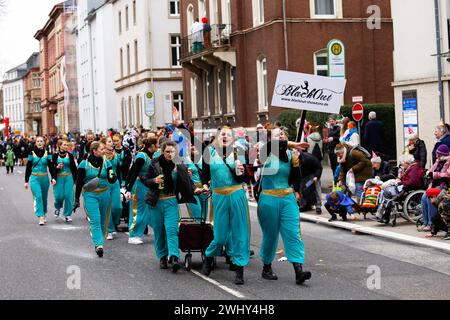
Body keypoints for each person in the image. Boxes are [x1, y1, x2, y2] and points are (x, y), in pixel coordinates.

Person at [256, 128, 312, 285]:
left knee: (293, 233)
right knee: (271, 235)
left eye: (282, 133)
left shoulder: (290, 155)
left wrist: (295, 163)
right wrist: (293, 143)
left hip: (287, 198)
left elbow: (295, 179)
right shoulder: (265, 152)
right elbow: (272, 144)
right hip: (268, 198)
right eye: (276, 134)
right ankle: (266, 266)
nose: (279, 135)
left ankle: (298, 270)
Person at [200, 125, 251, 285]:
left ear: (233, 138)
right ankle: (208, 256)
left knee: (239, 233)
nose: (225, 137)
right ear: (217, 136)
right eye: (222, 134)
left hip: (236, 195)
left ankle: (239, 269)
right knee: (220, 234)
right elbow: (205, 175)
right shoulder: (210, 153)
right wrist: (205, 185)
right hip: (219, 196)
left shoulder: (239, 153)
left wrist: (242, 171)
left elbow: (245, 179)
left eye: (228, 135)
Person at [142, 141, 201, 272]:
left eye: (172, 152)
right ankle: (162, 256)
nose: (170, 154)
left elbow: (187, 181)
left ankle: (174, 256)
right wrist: (154, 180)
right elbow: (145, 180)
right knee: (159, 231)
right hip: (156, 202)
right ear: (162, 152)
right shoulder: (155, 163)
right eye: (167, 152)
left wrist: (195, 190)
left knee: (171, 229)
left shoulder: (179, 164)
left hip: (171, 201)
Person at [73, 142, 117, 258]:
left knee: (103, 220)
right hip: (90, 195)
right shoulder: (84, 164)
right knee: (95, 219)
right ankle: (99, 245)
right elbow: (78, 183)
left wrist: (113, 177)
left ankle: (99, 240)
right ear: (94, 151)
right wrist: (76, 199)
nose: (104, 150)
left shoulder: (106, 163)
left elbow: (112, 178)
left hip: (105, 193)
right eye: (101, 149)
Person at [125, 137, 159, 244]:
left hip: (147, 185)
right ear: (152, 146)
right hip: (138, 185)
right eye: (156, 145)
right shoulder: (141, 156)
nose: (157, 147)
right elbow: (133, 172)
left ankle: (141, 231)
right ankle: (133, 235)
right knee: (138, 210)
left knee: (147, 209)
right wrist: (128, 189)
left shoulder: (151, 155)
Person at [24, 136, 57, 226]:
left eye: (41, 141)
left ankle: (44, 212)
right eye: (38, 141)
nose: (39, 142)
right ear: (35, 143)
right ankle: (41, 216)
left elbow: (51, 167)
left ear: (44, 143)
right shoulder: (31, 153)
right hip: (35, 178)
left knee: (44, 198)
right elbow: (28, 167)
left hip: (45, 178)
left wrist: (53, 178)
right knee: (38, 196)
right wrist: (26, 181)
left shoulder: (48, 153)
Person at [419, 145, 450, 232]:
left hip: (445, 186)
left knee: (430, 198)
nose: (437, 156)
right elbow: (432, 170)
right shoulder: (438, 161)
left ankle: (431, 224)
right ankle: (425, 222)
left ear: (444, 155)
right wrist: (428, 173)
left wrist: (434, 175)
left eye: (438, 155)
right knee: (424, 198)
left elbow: (448, 174)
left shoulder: (448, 161)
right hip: (435, 185)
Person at [52, 139, 77, 222]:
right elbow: (52, 168)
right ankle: (57, 207)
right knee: (59, 196)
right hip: (59, 177)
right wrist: (56, 167)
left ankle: (67, 214)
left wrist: (76, 179)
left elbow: (74, 168)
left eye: (67, 145)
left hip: (69, 177)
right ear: (59, 146)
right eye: (64, 145)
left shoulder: (70, 155)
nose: (66, 146)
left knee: (68, 196)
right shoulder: (55, 155)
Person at [102, 136, 123, 240]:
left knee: (117, 207)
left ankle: (114, 223)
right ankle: (109, 230)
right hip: (105, 183)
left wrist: (123, 182)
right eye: (109, 141)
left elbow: (119, 170)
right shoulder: (101, 156)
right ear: (104, 144)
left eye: (112, 141)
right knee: (107, 207)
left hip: (115, 183)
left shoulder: (116, 155)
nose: (112, 143)